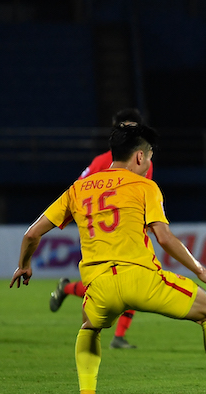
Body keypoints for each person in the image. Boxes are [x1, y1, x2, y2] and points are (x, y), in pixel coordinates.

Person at [10, 123, 206, 394]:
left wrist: (25, 264)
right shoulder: (146, 187)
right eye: (150, 157)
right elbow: (165, 238)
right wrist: (201, 270)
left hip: (100, 287)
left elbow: (31, 235)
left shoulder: (78, 189)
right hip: (142, 280)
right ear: (140, 158)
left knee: (89, 328)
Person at [49, 108, 154, 349]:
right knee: (108, 285)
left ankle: (117, 336)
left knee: (133, 281)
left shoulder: (144, 161)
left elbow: (144, 194)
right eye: (124, 128)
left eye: (133, 128)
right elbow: (77, 189)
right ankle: (74, 300)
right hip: (102, 232)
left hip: (129, 230)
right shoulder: (101, 162)